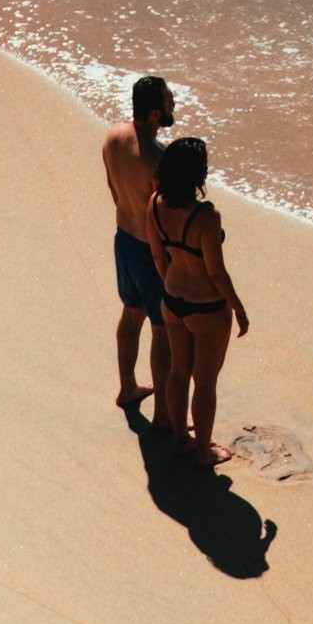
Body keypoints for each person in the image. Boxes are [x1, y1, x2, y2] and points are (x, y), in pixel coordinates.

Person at [143, 129, 249, 463]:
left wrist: (168, 284)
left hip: (172, 299)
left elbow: (159, 256)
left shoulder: (155, 203)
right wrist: (239, 308)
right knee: (204, 383)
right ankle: (204, 452)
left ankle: (180, 440)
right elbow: (216, 272)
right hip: (206, 308)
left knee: (178, 372)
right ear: (196, 174)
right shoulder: (206, 217)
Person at [99, 74, 179, 416]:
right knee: (162, 332)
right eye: (168, 98)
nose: (173, 101)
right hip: (150, 253)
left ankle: (128, 388)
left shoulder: (113, 138)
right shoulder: (159, 159)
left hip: (124, 242)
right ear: (156, 115)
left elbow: (115, 191)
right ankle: (163, 412)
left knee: (131, 316)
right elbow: (167, 217)